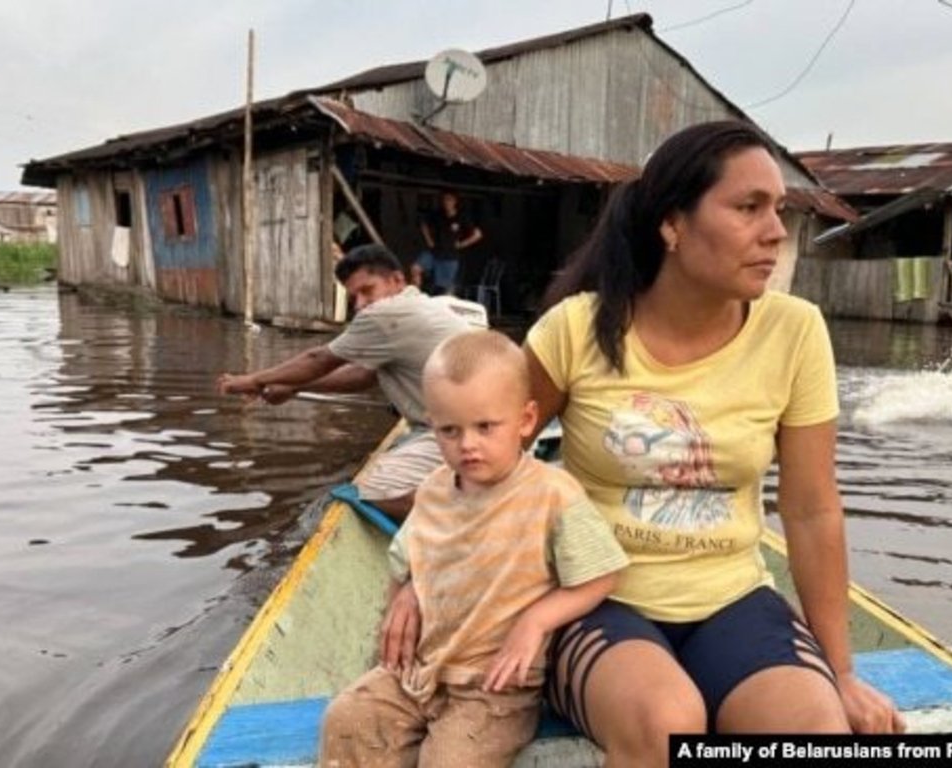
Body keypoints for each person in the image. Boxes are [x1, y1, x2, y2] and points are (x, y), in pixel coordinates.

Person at [380, 121, 904, 766]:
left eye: (779, 210)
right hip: (596, 599)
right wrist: (420, 578)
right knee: (665, 722)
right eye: (748, 208)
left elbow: (811, 509)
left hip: (733, 599)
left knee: (815, 732)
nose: (775, 232)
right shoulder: (578, 329)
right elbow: (484, 458)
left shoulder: (795, 331)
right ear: (672, 225)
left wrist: (842, 672)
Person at [319, 330, 627, 768]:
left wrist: (536, 622)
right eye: (449, 430)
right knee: (346, 720)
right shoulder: (432, 491)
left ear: (525, 420)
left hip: (493, 686)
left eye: (485, 427)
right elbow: (407, 562)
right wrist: (405, 595)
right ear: (431, 425)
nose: (467, 444)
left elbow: (602, 574)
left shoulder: (552, 494)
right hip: (420, 670)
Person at [216, 244, 474, 520]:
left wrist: (253, 379)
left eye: (367, 291)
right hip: (478, 424)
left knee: (373, 489)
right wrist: (296, 386)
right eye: (354, 297)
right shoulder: (417, 303)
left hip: (463, 431)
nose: (361, 305)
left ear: (396, 280)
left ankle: (473, 517)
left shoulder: (385, 316)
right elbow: (363, 375)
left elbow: (318, 359)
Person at [415, 190, 483, 295]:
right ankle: (415, 296)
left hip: (449, 256)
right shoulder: (438, 214)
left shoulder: (461, 217)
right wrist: (429, 240)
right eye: (444, 200)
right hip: (434, 252)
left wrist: (462, 244)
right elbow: (424, 224)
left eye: (449, 200)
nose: (446, 202)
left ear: (454, 202)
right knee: (416, 268)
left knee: (442, 288)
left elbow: (477, 234)